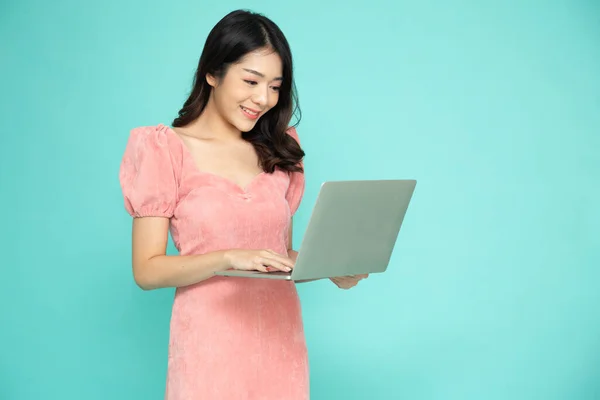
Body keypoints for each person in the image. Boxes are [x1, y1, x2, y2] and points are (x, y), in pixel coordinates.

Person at [118, 9, 368, 400]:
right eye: (251, 81)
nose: (263, 99)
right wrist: (226, 258)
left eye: (275, 86)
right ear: (213, 73)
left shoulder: (281, 149)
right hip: (208, 345)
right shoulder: (163, 149)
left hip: (279, 340)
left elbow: (277, 254)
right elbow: (147, 271)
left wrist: (330, 268)